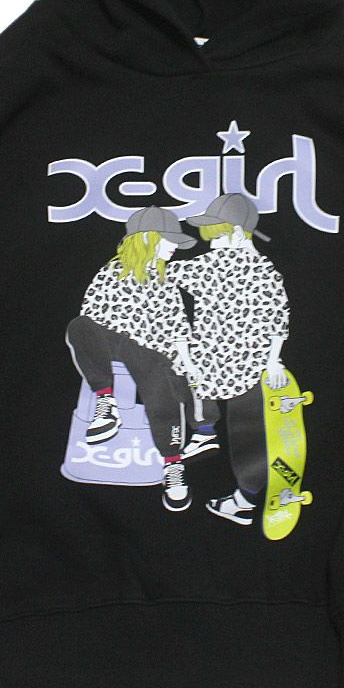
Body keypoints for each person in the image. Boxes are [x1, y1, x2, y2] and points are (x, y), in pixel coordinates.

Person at [65, 206, 202, 511]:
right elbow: (91, 319)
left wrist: (186, 362)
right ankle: (106, 402)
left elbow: (178, 328)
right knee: (79, 326)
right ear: (148, 238)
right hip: (114, 345)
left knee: (163, 381)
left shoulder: (166, 281)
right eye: (168, 239)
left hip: (154, 356)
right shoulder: (110, 273)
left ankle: (173, 464)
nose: (174, 247)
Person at [166, 192, 290, 526]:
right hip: (249, 366)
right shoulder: (266, 269)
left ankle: (205, 432)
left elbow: (169, 274)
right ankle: (244, 500)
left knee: (177, 362)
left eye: (216, 236)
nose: (212, 244)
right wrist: (273, 360)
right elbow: (279, 318)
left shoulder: (215, 264)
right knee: (248, 436)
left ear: (235, 232)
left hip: (218, 362)